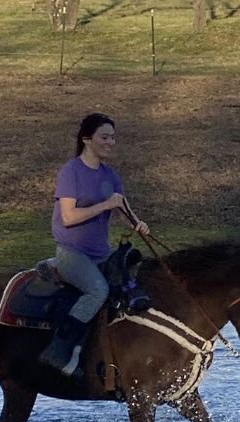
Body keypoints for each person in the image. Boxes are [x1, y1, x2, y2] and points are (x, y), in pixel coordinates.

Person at [39, 112, 150, 377]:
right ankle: (60, 350)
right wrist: (105, 205)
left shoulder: (110, 175)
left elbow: (123, 209)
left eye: (113, 137)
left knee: (133, 286)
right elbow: (68, 217)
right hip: (72, 252)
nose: (110, 142)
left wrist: (138, 224)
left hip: (101, 252)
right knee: (98, 290)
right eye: (105, 137)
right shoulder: (71, 172)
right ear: (87, 139)